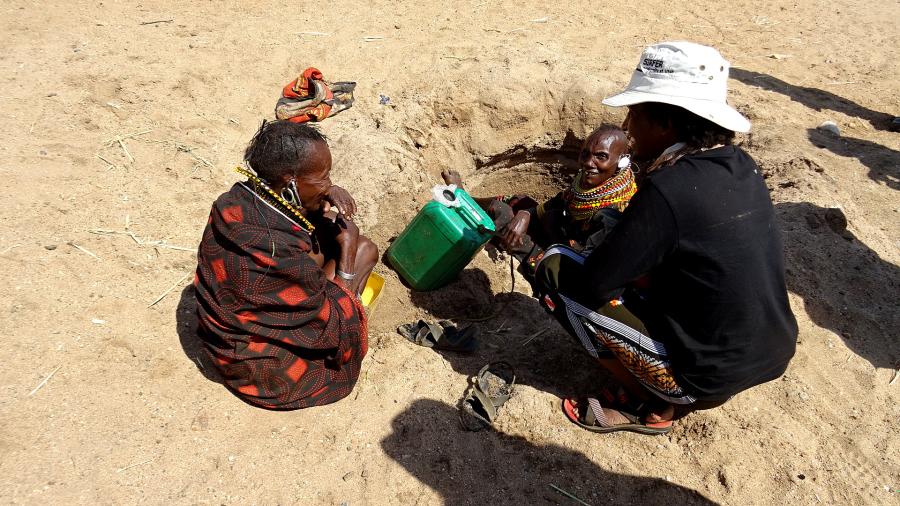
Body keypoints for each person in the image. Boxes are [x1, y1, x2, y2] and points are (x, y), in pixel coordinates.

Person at [536, 42, 798, 434]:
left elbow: (595, 284)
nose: (627, 126)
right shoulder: (740, 166)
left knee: (556, 268)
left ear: (666, 123)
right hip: (770, 353)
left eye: (636, 113)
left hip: (706, 376)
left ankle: (654, 399)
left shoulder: (668, 188)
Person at [193, 120, 378, 410]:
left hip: (226, 335)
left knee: (330, 230)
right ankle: (350, 306)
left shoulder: (236, 200)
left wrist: (325, 191)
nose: (329, 184)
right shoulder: (276, 249)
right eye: (323, 176)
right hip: (263, 370)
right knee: (364, 250)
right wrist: (348, 254)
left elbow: (300, 214)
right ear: (290, 182)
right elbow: (324, 327)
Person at [441, 125, 636, 276]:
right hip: (559, 233)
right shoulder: (585, 183)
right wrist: (526, 214)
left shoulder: (614, 214)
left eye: (601, 157)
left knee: (504, 215)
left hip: (565, 265)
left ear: (622, 162)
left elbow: (586, 266)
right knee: (520, 203)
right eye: (585, 154)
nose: (588, 163)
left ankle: (467, 206)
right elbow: (554, 204)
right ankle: (467, 198)